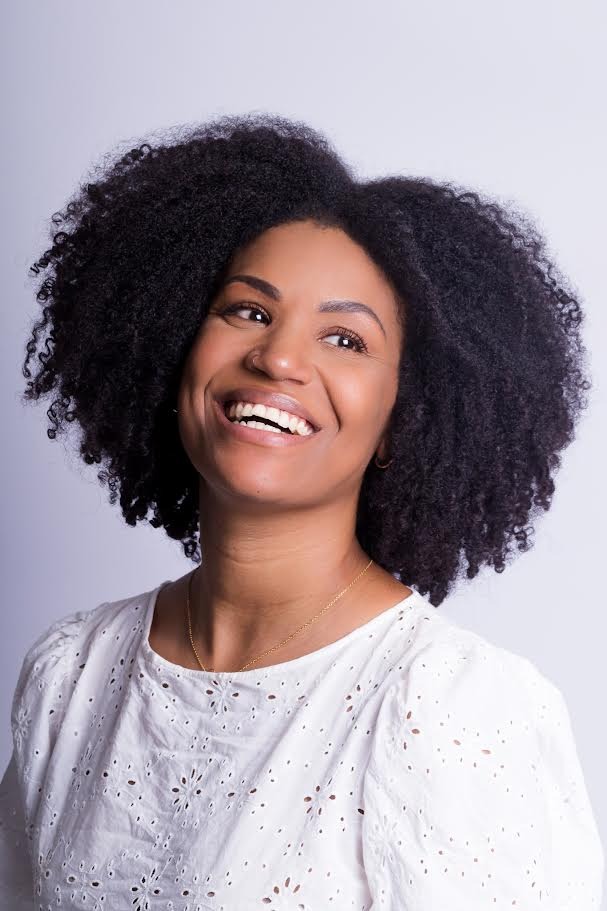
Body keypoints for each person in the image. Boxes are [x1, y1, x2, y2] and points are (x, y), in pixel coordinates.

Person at [0, 112, 603, 909]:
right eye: (247, 311)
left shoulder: (449, 708)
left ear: (405, 417)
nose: (278, 357)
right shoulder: (70, 674)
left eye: (345, 340)